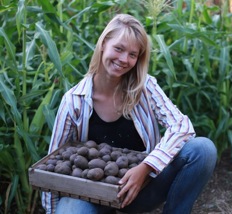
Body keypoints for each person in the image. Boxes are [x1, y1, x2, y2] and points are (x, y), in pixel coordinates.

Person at [42, 13, 217, 214]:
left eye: (133, 54)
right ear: (104, 44)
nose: (124, 59)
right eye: (118, 48)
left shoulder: (145, 87)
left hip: (142, 189)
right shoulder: (73, 101)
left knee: (202, 149)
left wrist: (147, 167)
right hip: (93, 195)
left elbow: (182, 127)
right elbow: (51, 167)